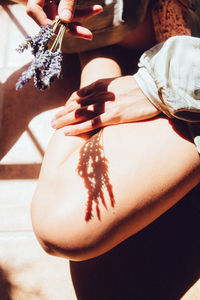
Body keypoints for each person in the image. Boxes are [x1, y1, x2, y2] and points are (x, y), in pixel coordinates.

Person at [20, 0, 200, 260]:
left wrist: (156, 84)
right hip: (168, 15)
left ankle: (99, 53)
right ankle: (100, 52)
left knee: (60, 222)